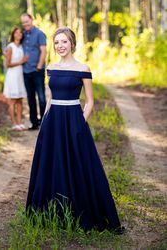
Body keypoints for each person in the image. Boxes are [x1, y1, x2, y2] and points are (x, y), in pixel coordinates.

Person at [26, 27, 124, 233]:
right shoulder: (51, 68)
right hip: (53, 122)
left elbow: (89, 101)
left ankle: (83, 212)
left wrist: (80, 122)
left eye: (64, 42)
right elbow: (50, 98)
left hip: (73, 120)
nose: (60, 46)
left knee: (80, 165)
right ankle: (52, 212)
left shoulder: (83, 69)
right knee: (52, 165)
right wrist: (44, 121)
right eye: (57, 43)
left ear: (72, 43)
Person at [21, 13, 47, 130]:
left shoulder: (39, 34)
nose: (25, 24)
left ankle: (44, 122)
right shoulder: (23, 35)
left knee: (41, 98)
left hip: (37, 71)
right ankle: (34, 123)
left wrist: (39, 66)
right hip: (26, 71)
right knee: (30, 98)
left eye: (27, 21)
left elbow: (43, 51)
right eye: (23, 22)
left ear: (31, 20)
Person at [3, 27, 28, 131]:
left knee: (20, 100)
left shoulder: (22, 46)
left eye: (20, 33)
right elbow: (7, 64)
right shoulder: (10, 47)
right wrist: (21, 62)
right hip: (12, 75)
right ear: (13, 34)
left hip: (20, 75)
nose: (19, 34)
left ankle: (19, 122)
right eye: (17, 33)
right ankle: (13, 123)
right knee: (13, 101)